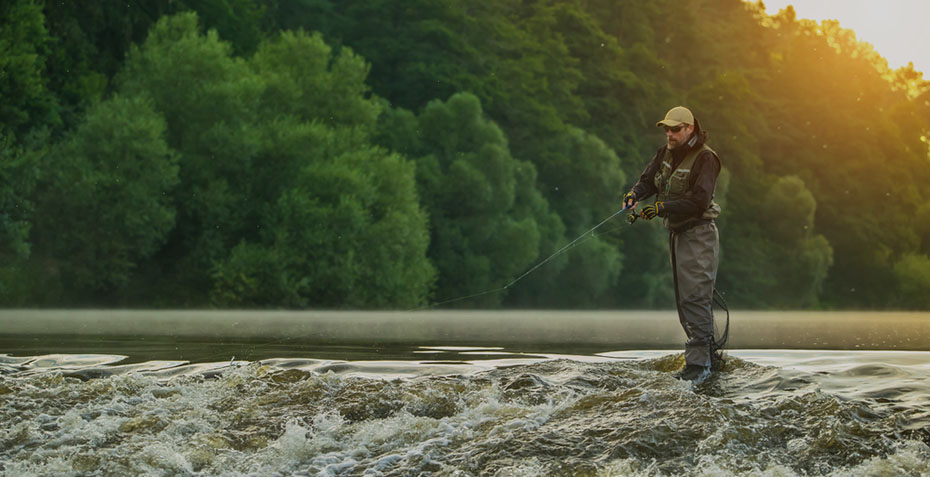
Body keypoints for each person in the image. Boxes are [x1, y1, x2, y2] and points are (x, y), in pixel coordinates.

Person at [621, 106, 722, 384]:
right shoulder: (664, 153)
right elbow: (647, 181)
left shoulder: (706, 159)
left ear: (690, 129)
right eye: (667, 128)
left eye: (675, 129)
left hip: (699, 234)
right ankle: (701, 360)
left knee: (695, 297)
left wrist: (661, 208)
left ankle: (701, 365)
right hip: (677, 234)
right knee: (683, 300)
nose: (669, 133)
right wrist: (634, 195)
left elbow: (699, 201)